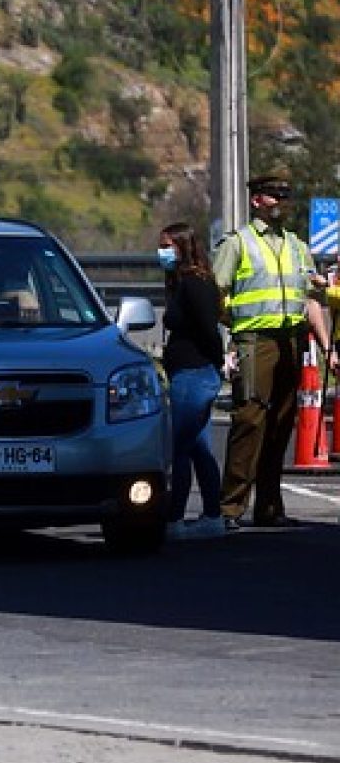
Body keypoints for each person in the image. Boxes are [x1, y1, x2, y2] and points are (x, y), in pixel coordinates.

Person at [213, 166, 333, 530]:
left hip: (292, 340)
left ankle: (269, 506)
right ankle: (230, 508)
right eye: (274, 195)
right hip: (256, 340)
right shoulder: (238, 243)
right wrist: (234, 328)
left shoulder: (297, 247)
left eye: (285, 195)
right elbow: (216, 292)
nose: (281, 202)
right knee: (250, 420)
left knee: (282, 423)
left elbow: (311, 301)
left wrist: (328, 348)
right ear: (256, 200)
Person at [158, 222, 225, 540]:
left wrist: (217, 362)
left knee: (180, 447)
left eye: (168, 245)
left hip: (194, 373)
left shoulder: (194, 284)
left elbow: (209, 329)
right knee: (199, 447)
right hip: (190, 372)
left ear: (183, 247)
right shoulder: (183, 282)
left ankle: (175, 519)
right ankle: (213, 515)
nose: (162, 252)